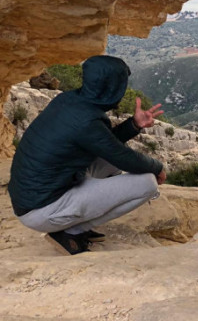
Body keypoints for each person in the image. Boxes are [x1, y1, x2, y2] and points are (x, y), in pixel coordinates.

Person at [8, 55, 166, 255]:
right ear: (113, 88)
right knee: (148, 184)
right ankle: (71, 230)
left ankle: (70, 224)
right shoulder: (86, 121)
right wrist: (157, 168)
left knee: (113, 163)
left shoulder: (69, 101)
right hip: (42, 208)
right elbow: (121, 155)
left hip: (38, 193)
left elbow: (105, 145)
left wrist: (133, 125)